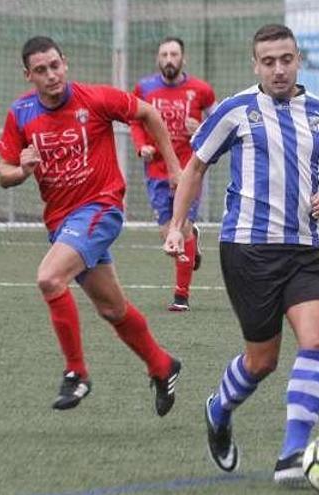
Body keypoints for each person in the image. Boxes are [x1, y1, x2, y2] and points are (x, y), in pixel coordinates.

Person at [163, 24, 319, 486]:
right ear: (256, 65)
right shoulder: (236, 110)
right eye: (269, 62)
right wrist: (176, 225)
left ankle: (291, 454)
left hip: (307, 249)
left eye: (286, 59)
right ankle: (219, 408)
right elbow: (195, 166)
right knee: (262, 361)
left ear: (298, 59)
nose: (279, 69)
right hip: (248, 250)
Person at [0, 36, 182, 416]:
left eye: (55, 66)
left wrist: (175, 167)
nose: (51, 75)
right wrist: (22, 170)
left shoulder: (94, 99)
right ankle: (162, 365)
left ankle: (77, 373)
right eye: (41, 70)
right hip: (62, 221)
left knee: (49, 278)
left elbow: (147, 113)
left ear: (65, 62)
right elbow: (3, 173)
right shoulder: (20, 113)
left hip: (101, 208)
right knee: (113, 309)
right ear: (28, 75)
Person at [130, 36, 216, 312]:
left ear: (183, 59)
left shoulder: (201, 90)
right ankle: (193, 244)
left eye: (174, 54)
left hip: (190, 169)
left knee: (183, 230)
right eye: (164, 54)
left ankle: (181, 296)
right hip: (156, 170)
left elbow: (218, 124)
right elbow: (135, 121)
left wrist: (200, 128)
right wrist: (141, 145)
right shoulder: (143, 89)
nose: (169, 59)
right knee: (168, 234)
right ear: (158, 59)